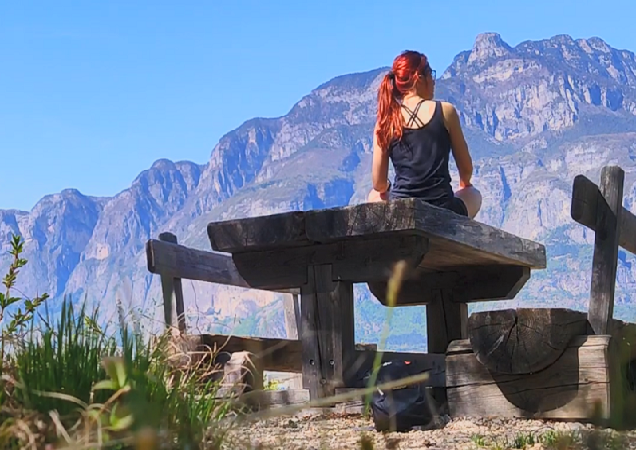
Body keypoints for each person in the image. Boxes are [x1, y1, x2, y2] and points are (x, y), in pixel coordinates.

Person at [367, 50, 482, 219]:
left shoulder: (386, 121)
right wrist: (464, 184)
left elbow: (379, 184)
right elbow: (466, 170)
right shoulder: (445, 111)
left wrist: (391, 190)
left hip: (403, 212)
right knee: (474, 194)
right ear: (419, 78)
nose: (433, 81)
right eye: (431, 74)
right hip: (443, 210)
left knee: (373, 197)